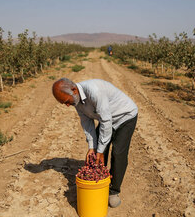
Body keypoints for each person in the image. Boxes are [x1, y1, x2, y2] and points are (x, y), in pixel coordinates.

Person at [52, 78, 138, 208]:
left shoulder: (94, 91)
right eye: (64, 103)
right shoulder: (76, 101)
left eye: (66, 102)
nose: (67, 105)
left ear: (74, 90)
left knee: (118, 152)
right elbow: (87, 123)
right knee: (97, 152)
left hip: (125, 116)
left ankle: (113, 191)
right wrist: (92, 147)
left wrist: (100, 149)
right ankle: (100, 182)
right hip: (108, 119)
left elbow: (106, 121)